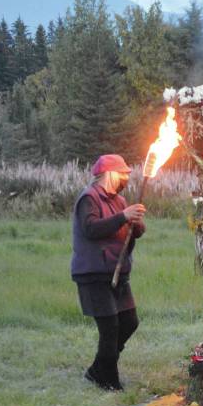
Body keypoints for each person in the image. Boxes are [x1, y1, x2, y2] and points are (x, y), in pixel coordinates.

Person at [71, 154, 146, 391]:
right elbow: (91, 229)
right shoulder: (89, 199)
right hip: (94, 273)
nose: (126, 177)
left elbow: (132, 231)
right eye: (123, 173)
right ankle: (109, 381)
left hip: (117, 272)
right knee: (110, 327)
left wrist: (136, 224)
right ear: (110, 173)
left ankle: (98, 368)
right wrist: (124, 216)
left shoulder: (119, 200)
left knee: (129, 322)